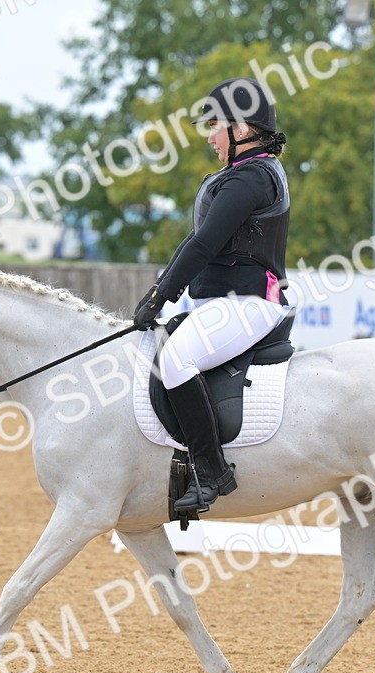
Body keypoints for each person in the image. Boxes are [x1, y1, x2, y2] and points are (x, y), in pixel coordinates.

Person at [132, 77, 291, 514]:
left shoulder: (253, 178)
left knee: (176, 361)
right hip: (222, 304)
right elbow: (195, 240)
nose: (209, 136)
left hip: (247, 304)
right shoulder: (239, 175)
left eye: (215, 126)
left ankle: (211, 470)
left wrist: (162, 296)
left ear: (241, 130)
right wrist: (156, 291)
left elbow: (204, 246)